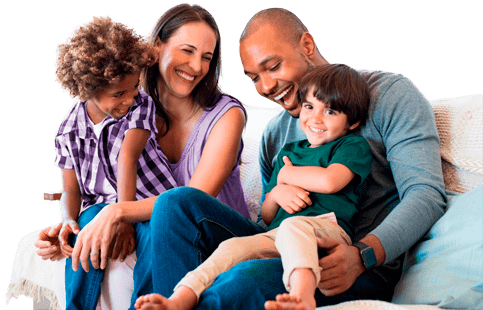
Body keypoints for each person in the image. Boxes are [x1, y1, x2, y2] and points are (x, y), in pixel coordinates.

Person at [130, 7, 447, 309]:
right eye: (254, 77)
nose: (266, 86)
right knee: (175, 203)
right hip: (279, 242)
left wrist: (363, 254)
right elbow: (268, 219)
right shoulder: (277, 133)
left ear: (307, 45)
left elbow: (425, 196)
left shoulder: (388, 95)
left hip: (346, 261)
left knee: (241, 281)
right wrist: (277, 193)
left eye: (272, 66)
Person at [35, 3, 251, 309]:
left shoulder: (225, 115)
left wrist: (119, 212)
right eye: (187, 50)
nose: (197, 66)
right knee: (94, 221)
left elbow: (193, 199)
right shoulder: (127, 105)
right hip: (158, 221)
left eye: (207, 57)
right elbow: (93, 175)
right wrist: (68, 223)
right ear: (157, 46)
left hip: (216, 231)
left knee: (167, 212)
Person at [133, 63, 372, 310]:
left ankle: (302, 296)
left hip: (327, 231)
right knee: (232, 247)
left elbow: (330, 181)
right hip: (276, 235)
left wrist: (287, 175)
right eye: (309, 107)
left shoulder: (350, 146)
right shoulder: (289, 152)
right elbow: (268, 215)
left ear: (352, 122)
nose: (316, 119)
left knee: (294, 226)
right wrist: (278, 191)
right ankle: (180, 298)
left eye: (330, 112)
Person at [50, 14, 177, 310]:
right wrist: (68, 221)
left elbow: (127, 158)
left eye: (133, 89)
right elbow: (71, 190)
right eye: (118, 94)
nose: (129, 100)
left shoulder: (140, 106)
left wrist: (124, 220)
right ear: (87, 90)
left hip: (147, 201)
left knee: (155, 238)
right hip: (101, 207)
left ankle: (145, 305)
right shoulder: (68, 130)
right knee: (86, 228)